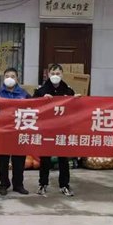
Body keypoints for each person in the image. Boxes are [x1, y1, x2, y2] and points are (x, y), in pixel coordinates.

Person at [33, 64, 79, 197]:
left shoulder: (68, 91)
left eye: (58, 74)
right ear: (48, 75)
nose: (55, 76)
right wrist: (41, 99)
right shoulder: (41, 90)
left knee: (63, 159)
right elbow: (31, 105)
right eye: (53, 73)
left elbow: (75, 109)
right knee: (45, 158)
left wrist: (76, 100)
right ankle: (43, 184)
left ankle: (64, 185)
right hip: (46, 129)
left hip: (63, 129)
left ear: (62, 74)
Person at [0, 67, 30, 196]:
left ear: (17, 79)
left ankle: (18, 185)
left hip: (19, 132)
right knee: (2, 161)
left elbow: (35, 108)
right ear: (3, 78)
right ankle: (3, 184)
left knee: (19, 161)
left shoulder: (24, 95)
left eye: (13, 76)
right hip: (2, 133)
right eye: (7, 76)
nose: (10, 79)